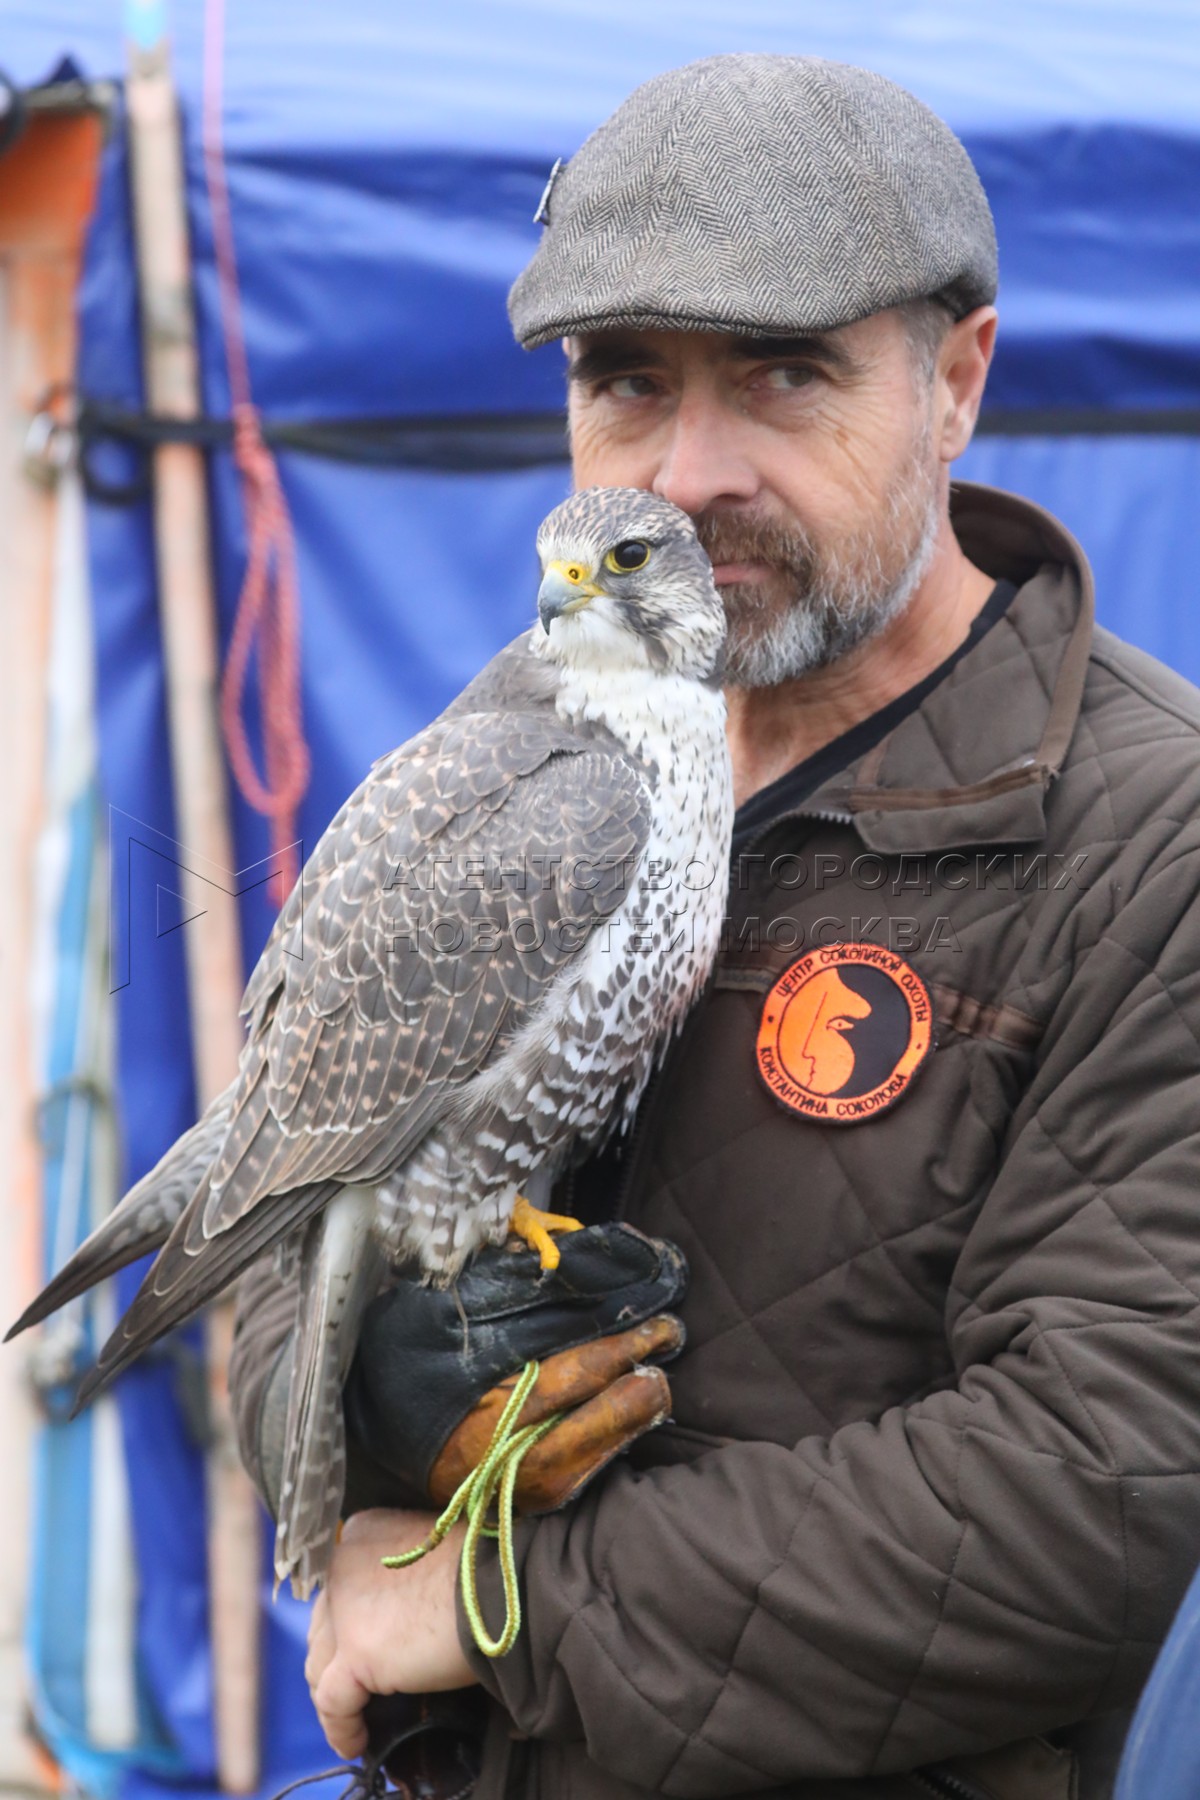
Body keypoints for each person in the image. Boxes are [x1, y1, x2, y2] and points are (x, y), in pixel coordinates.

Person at [231, 55, 1200, 1800]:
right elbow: (287, 1203)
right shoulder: (509, 748)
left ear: (958, 380)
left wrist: (496, 1593)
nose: (688, 474)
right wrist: (392, 1385)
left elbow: (1111, 1484)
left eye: (784, 373)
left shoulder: (1153, 836)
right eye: (624, 384)